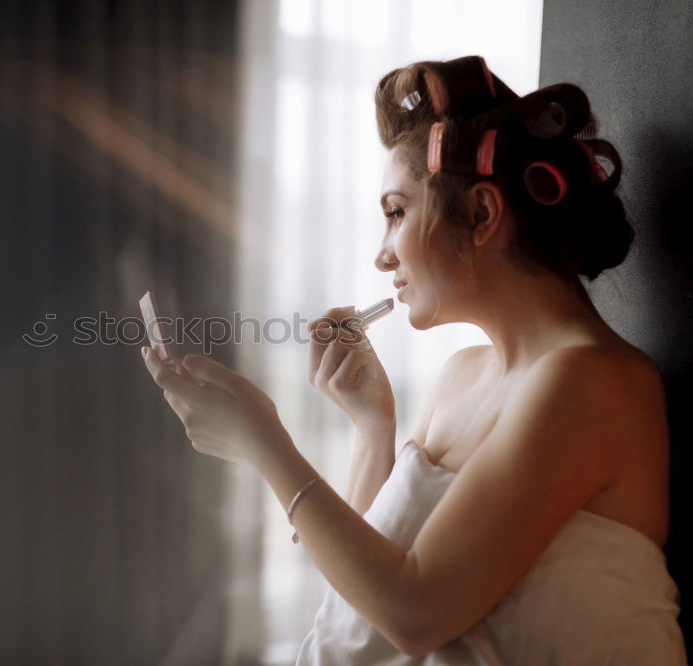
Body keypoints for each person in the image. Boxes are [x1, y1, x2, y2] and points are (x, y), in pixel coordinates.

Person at [140, 55, 687, 664]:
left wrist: (266, 445)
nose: (381, 256)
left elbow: (417, 612)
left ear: (480, 215)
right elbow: (358, 607)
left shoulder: (593, 381)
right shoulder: (462, 377)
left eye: (396, 213)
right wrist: (373, 427)